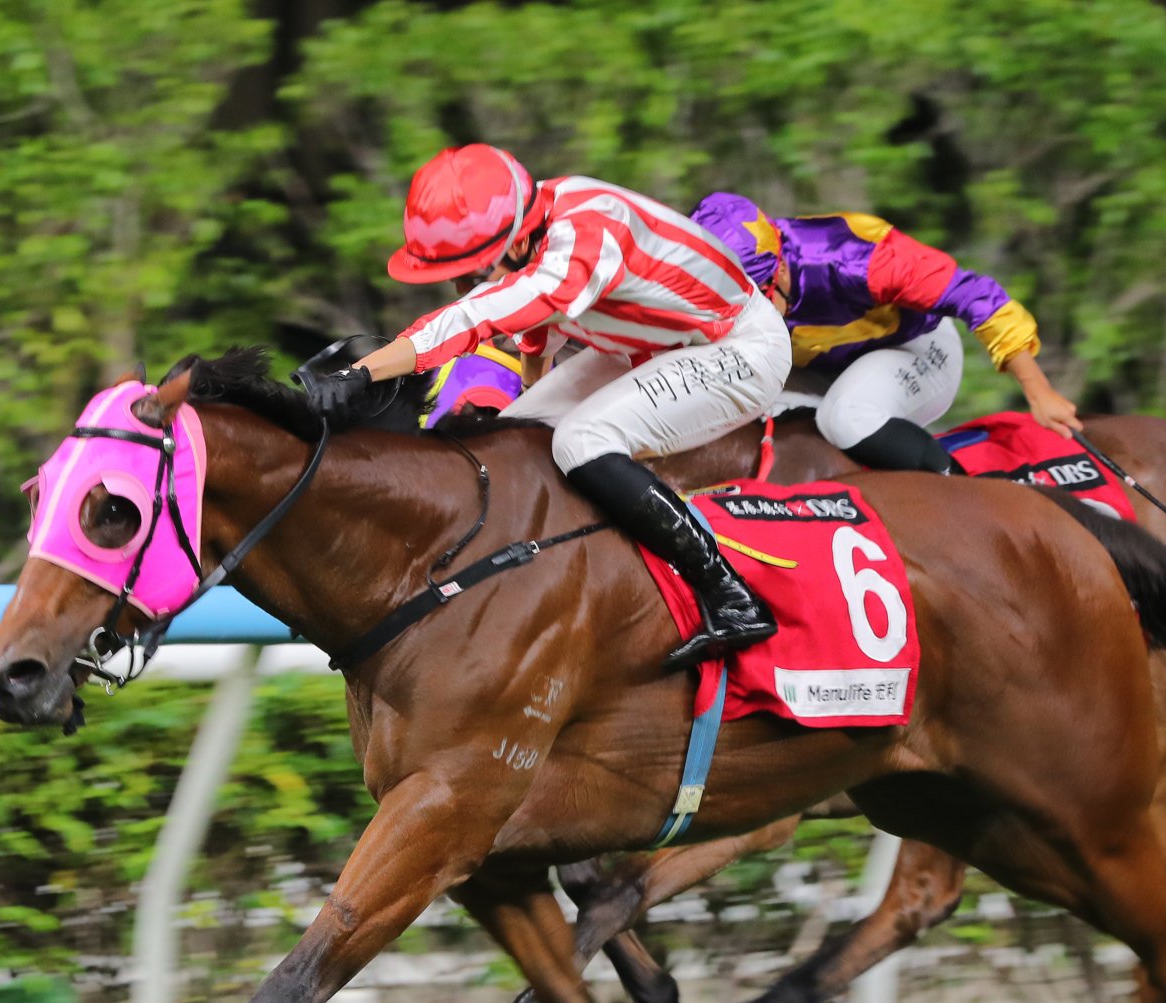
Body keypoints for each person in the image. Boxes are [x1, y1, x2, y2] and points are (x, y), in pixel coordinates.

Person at [295, 145, 792, 669]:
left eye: (471, 272)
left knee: (581, 441)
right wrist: (524, 420)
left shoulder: (583, 243)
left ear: (515, 241)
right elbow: (534, 342)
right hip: (652, 345)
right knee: (511, 440)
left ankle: (731, 595)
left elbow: (471, 319)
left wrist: (360, 372)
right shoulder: (535, 233)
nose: (461, 287)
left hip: (739, 349)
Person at [689, 192, 1080, 475]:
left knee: (846, 417)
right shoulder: (714, 283)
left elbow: (976, 293)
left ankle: (966, 492)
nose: (748, 316)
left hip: (916, 348)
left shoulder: (854, 260)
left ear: (781, 269)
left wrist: (1038, 390)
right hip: (821, 365)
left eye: (757, 300)